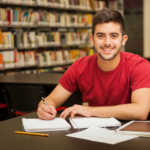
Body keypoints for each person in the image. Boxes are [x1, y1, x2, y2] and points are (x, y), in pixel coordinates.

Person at [37, 8, 150, 121]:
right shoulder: (80, 67)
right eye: (100, 36)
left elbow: (141, 111)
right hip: (94, 133)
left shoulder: (139, 66)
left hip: (130, 134)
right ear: (92, 39)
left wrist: (91, 111)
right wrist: (43, 108)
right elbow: (50, 100)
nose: (107, 42)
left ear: (123, 40)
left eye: (114, 36)